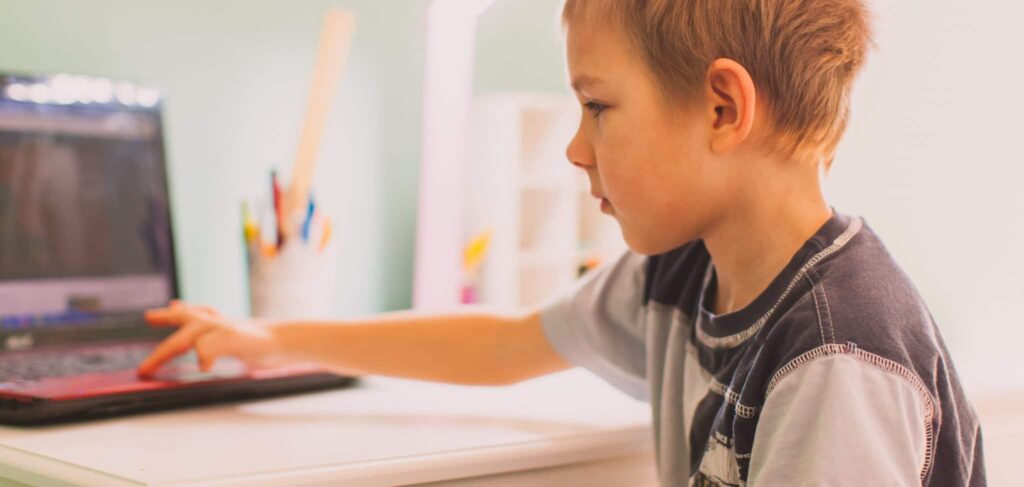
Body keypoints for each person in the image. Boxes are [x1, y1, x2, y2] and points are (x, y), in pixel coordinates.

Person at [137, 0, 985, 484]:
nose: (576, 148)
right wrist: (272, 338)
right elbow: (504, 340)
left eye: (599, 107)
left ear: (723, 109)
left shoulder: (835, 357)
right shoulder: (679, 275)